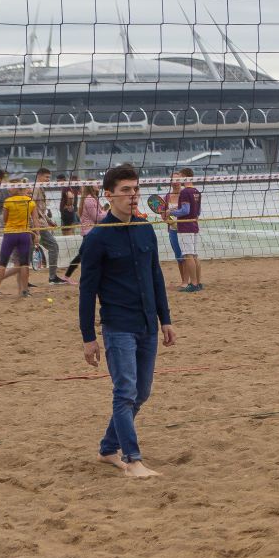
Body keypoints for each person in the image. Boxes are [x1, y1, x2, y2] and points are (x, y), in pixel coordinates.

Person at [77, 164, 176, 479]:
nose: (133, 196)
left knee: (141, 392)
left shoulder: (145, 229)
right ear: (109, 195)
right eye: (126, 190)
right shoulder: (97, 239)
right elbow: (86, 291)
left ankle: (108, 449)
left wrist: (166, 320)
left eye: (135, 189)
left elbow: (156, 278)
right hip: (117, 325)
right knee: (125, 391)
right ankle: (132, 460)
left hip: (147, 323)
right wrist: (88, 338)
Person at [0, 180, 36, 299]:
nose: (9, 189)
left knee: (2, 263)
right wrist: (37, 234)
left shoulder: (8, 201)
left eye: (10, 187)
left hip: (10, 234)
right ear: (24, 190)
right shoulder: (30, 201)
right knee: (24, 264)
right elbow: (35, 221)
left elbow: (5, 219)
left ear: (16, 189)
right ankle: (25, 291)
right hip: (24, 234)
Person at [163, 168, 204, 293]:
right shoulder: (196, 191)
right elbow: (197, 212)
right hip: (192, 226)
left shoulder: (185, 192)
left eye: (179, 177)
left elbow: (185, 210)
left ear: (185, 177)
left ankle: (194, 283)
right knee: (193, 255)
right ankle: (197, 282)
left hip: (184, 227)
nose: (177, 180)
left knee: (188, 255)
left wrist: (172, 211)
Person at [30, 169, 64, 284]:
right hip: (38, 225)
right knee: (53, 246)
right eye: (46, 177)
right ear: (39, 176)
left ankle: (24, 280)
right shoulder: (36, 188)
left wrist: (49, 220)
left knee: (26, 251)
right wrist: (36, 226)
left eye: (49, 177)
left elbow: (39, 209)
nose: (48, 180)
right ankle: (52, 277)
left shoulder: (40, 187)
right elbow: (32, 206)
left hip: (40, 223)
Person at [61, 188, 102, 281]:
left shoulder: (91, 198)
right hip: (90, 232)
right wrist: (109, 214)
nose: (98, 184)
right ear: (91, 186)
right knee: (83, 255)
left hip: (90, 231)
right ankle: (68, 276)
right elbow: (96, 217)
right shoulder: (89, 199)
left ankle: (67, 276)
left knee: (83, 255)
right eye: (95, 183)